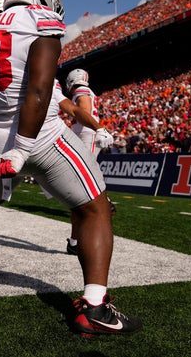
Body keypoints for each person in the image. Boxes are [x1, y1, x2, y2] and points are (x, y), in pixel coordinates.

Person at [0, 0, 141, 336]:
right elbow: (38, 89)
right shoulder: (39, 21)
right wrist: (22, 147)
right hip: (39, 137)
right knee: (95, 207)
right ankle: (95, 306)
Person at [64, 69, 115, 255]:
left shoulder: (81, 92)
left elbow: (84, 112)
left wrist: (71, 121)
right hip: (85, 134)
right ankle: (74, 241)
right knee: (79, 187)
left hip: (87, 135)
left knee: (82, 183)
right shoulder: (85, 91)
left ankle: (103, 202)